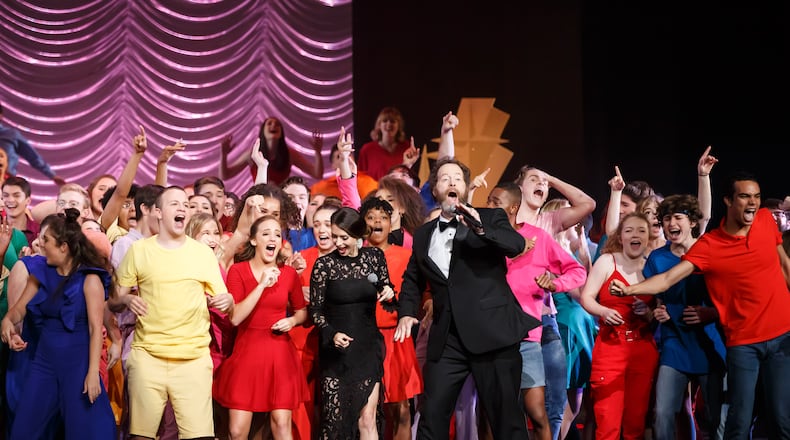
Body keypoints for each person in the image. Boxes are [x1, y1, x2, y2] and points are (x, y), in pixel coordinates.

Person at [609, 171, 790, 439]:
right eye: (744, 196)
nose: (752, 202)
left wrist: (712, 313)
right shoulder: (703, 247)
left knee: (769, 418)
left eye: (756, 196)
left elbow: (783, 266)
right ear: (729, 200)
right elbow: (665, 282)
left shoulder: (761, 221)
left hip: (734, 340)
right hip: (709, 342)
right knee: (720, 418)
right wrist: (634, 294)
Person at [393, 157, 540, 439]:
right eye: (444, 178)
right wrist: (407, 312)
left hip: (493, 334)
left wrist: (480, 228)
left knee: (506, 421)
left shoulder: (490, 218)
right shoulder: (423, 234)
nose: (451, 182)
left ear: (465, 187)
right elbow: (413, 278)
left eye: (457, 178)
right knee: (431, 418)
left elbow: (515, 244)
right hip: (448, 338)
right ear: (435, 190)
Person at [109, 186, 235, 440]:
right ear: (158, 212)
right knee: (142, 436)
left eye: (186, 205)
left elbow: (226, 302)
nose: (182, 209)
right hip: (148, 357)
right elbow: (114, 302)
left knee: (199, 436)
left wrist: (228, 301)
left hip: (193, 359)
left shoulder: (202, 253)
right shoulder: (139, 250)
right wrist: (126, 299)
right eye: (175, 204)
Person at [0, 208, 116, 439]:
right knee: (24, 429)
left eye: (46, 240)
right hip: (44, 364)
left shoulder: (90, 279)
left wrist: (93, 372)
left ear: (64, 247)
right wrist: (7, 322)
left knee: (85, 431)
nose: (40, 244)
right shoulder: (40, 273)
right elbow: (19, 310)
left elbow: (95, 330)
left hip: (78, 366)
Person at [214, 215, 309, 440]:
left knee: (281, 424)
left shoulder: (288, 274)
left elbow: (302, 311)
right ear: (254, 240)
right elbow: (235, 318)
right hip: (247, 355)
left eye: (277, 234)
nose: (273, 238)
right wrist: (261, 285)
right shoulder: (238, 271)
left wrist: (292, 321)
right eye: (266, 233)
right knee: (237, 431)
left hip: (279, 356)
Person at [309, 206, 395, 439]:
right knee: (334, 423)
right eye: (335, 236)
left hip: (367, 349)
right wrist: (331, 334)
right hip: (336, 352)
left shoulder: (374, 258)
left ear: (357, 234)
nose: (338, 242)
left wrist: (388, 291)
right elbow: (315, 311)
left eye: (344, 237)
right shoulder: (324, 265)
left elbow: (385, 289)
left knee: (367, 419)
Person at [646, 194, 726, 440]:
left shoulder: (709, 251)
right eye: (667, 218)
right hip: (675, 343)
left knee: (714, 417)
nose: (671, 223)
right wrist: (658, 310)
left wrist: (712, 313)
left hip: (710, 342)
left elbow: (730, 295)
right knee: (662, 413)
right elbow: (657, 299)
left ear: (692, 222)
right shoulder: (657, 258)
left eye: (678, 217)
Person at [578, 212, 658, 440]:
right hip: (611, 347)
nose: (635, 235)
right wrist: (603, 311)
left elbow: (661, 309)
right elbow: (586, 297)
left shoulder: (653, 266)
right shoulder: (607, 261)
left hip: (642, 348)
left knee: (636, 422)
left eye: (641, 230)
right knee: (607, 421)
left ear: (649, 236)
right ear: (620, 237)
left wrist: (648, 313)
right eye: (629, 230)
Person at [359, 196, 422, 440]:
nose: (377, 222)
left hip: (396, 340)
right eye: (371, 217)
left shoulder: (406, 256)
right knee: (365, 411)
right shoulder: (353, 257)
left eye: (383, 217)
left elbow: (417, 292)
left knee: (401, 411)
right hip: (364, 340)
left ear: (391, 223)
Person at [220, 117, 324, 186]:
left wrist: (318, 152)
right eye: (269, 123)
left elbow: (317, 174)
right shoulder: (253, 153)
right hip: (259, 199)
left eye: (277, 124)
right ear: (262, 131)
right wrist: (223, 155)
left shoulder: (289, 154)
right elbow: (225, 175)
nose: (273, 125)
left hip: (280, 201)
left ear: (281, 133)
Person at [0, 102, 65, 185]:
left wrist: (52, 175)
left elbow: (33, 157)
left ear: (1, 116)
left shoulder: (11, 135)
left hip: (7, 183)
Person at [357, 107, 416, 181]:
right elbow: (361, 178)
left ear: (399, 126)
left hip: (399, 188)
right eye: (385, 121)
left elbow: (410, 177)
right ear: (379, 125)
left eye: (392, 121)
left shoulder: (406, 148)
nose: (388, 124)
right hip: (374, 188)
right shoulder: (367, 149)